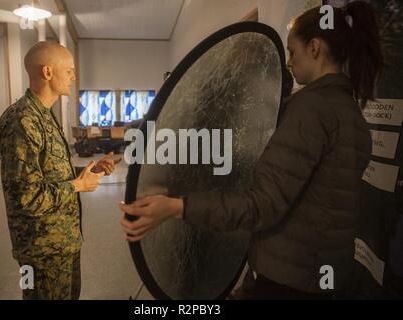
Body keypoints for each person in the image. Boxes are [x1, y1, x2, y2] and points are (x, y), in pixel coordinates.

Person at [119, 2, 383, 299]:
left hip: (289, 280)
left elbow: (263, 204)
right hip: (323, 275)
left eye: (292, 52)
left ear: (314, 48)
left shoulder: (311, 110)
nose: (289, 64)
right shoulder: (351, 113)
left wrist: (178, 206)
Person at [0, 41, 118, 300]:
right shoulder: (23, 121)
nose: (74, 77)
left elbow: (50, 170)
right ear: (47, 72)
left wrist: (89, 170)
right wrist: (78, 185)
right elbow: (27, 197)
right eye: (69, 71)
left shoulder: (44, 114)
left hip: (63, 242)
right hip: (41, 253)